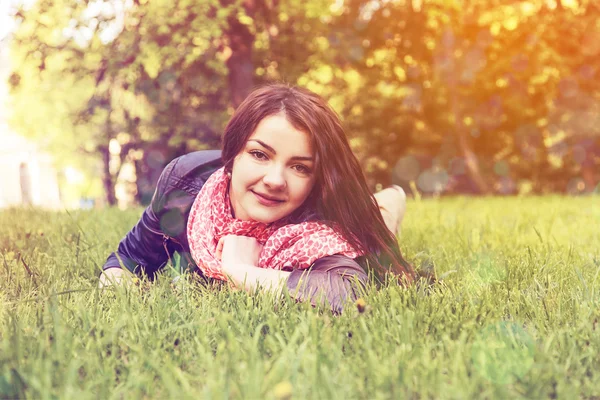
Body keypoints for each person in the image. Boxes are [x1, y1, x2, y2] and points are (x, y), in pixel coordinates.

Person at [99, 84, 414, 313]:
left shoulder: (320, 222)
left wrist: (239, 270)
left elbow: (349, 292)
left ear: (315, 179)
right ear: (233, 153)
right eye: (259, 154)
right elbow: (127, 261)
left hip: (353, 218)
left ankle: (388, 203)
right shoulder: (184, 183)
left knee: (377, 229)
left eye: (300, 167)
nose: (275, 180)